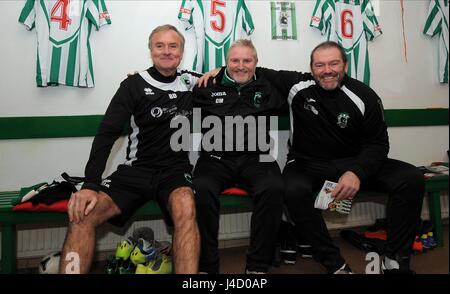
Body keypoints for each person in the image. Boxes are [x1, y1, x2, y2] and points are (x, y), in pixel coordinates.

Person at [256, 41, 425, 274]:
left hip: (353, 163)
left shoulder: (364, 95)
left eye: (334, 63)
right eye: (320, 65)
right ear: (312, 68)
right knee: (291, 188)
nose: (327, 70)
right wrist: (219, 72)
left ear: (344, 65)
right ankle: (334, 263)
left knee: (411, 178)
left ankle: (395, 259)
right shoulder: (297, 85)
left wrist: (356, 171)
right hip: (307, 163)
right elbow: (254, 69)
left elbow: (378, 144)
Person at [59, 25, 201, 274]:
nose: (166, 51)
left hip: (174, 172)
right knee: (82, 215)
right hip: (136, 172)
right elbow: (107, 134)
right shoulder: (133, 85)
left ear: (181, 52)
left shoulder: (193, 83)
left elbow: (232, 78)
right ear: (150, 50)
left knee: (187, 209)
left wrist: (216, 72)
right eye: (159, 46)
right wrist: (90, 184)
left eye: (173, 46)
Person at [192, 39, 285, 274]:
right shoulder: (206, 85)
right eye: (235, 60)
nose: (240, 65)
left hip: (256, 158)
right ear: (226, 63)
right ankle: (207, 265)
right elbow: (171, 87)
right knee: (200, 189)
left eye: (247, 60)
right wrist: (138, 78)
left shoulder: (268, 87)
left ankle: (257, 265)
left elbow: (306, 87)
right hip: (215, 158)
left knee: (273, 186)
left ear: (256, 63)